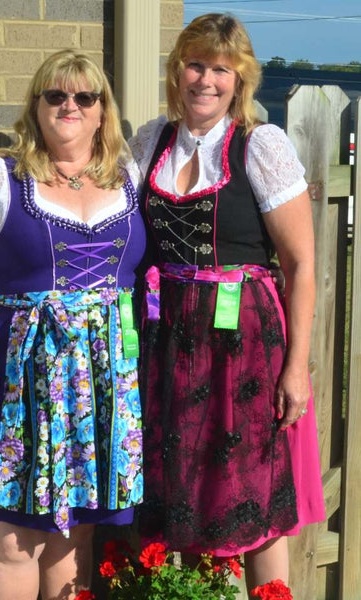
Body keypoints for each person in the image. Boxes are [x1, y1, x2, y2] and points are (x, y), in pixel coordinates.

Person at [0, 49, 145, 600]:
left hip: (103, 378)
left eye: (84, 97)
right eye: (55, 95)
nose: (69, 105)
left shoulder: (131, 177)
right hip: (22, 376)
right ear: (36, 106)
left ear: (103, 112)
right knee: (13, 540)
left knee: (73, 538)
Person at [128, 12, 325, 594]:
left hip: (244, 343)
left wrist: (296, 366)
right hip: (169, 339)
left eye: (221, 68)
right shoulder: (150, 141)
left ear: (240, 79)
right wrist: (6, 174)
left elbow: (301, 265)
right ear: (176, 71)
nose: (205, 79)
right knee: (178, 489)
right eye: (195, 64)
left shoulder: (260, 145)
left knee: (254, 495)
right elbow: (82, 178)